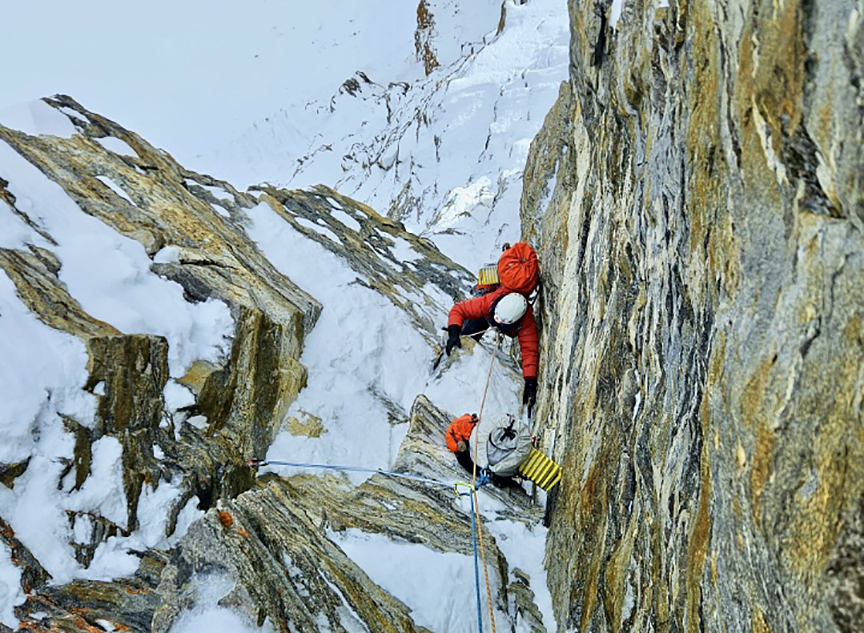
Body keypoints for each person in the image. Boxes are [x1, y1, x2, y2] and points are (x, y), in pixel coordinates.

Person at [445, 288, 539, 414]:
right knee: (466, 335)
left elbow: (530, 351)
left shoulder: (526, 324)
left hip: (494, 314)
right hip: (486, 314)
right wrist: (454, 331)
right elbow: (459, 309)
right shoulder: (489, 301)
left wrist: (530, 382)